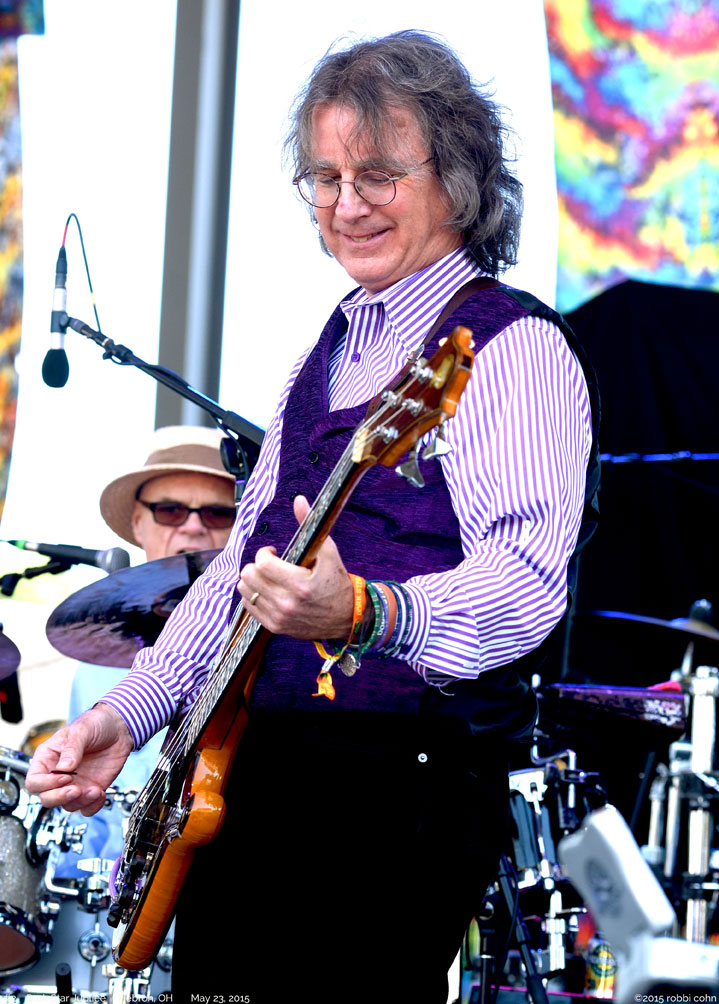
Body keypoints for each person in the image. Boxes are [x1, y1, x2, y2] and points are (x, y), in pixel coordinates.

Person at [27, 31, 600, 1004]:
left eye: (376, 174)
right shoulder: (321, 351)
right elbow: (234, 578)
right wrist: (127, 714)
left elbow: (524, 584)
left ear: (458, 180)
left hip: (398, 786)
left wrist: (368, 610)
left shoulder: (512, 349)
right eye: (324, 179)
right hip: (257, 771)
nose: (346, 204)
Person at [57, 424, 238, 866]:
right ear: (138, 523)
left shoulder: (266, 649)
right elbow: (85, 828)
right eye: (170, 510)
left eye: (218, 513)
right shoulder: (94, 664)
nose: (193, 527)